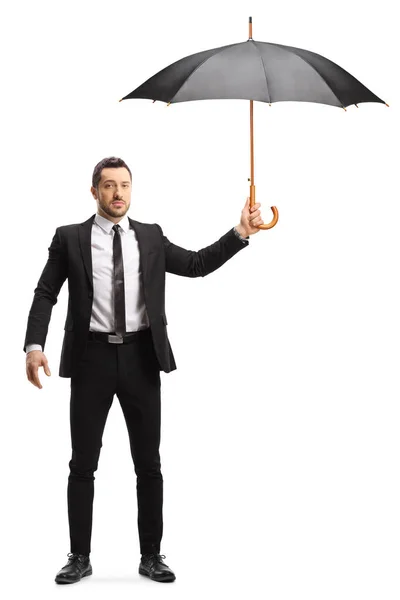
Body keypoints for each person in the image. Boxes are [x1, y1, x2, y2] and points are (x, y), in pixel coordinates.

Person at [23, 156, 264, 585]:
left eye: (125, 185)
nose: (119, 194)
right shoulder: (70, 238)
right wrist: (34, 345)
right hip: (90, 358)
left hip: (141, 359)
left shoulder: (150, 238)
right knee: (82, 463)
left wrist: (240, 233)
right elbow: (45, 293)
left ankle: (151, 555)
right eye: (110, 186)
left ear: (132, 190)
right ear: (94, 191)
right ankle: (79, 556)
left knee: (148, 463)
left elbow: (195, 264)